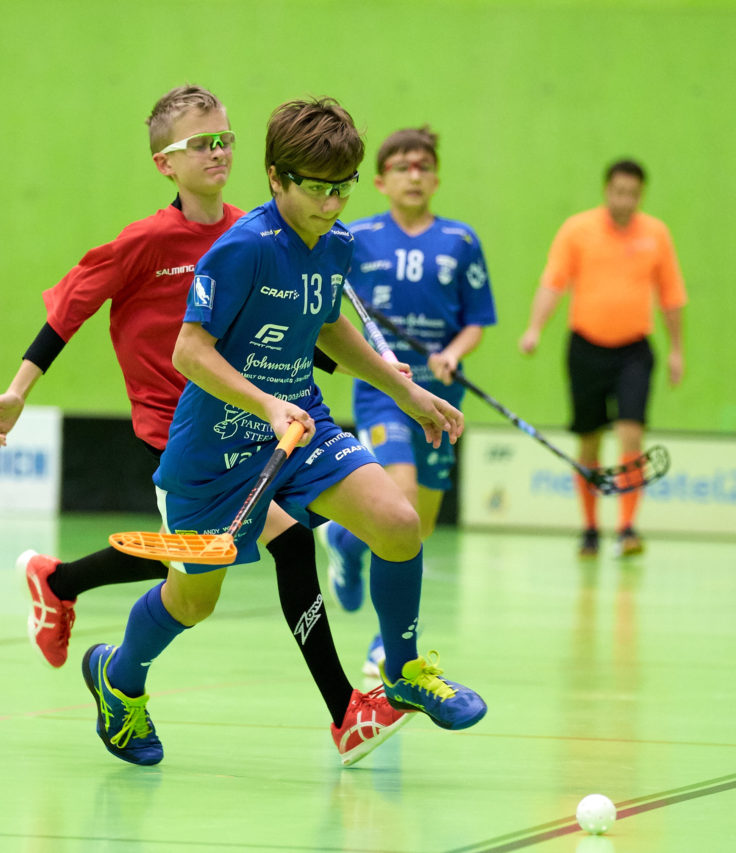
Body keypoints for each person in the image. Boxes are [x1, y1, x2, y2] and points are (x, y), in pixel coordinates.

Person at [0, 85, 407, 766]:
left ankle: (64, 590)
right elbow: (70, 309)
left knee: (239, 555)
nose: (218, 151)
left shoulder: (264, 227)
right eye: (200, 143)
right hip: (177, 429)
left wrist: (375, 370)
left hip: (263, 427)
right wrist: (16, 389)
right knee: (222, 569)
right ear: (164, 164)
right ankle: (106, 654)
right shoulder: (145, 241)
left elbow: (298, 322)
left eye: (225, 139)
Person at [80, 96, 487, 767]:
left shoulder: (337, 243)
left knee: (398, 522)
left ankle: (404, 670)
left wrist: (406, 391)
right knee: (191, 601)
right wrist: (266, 404)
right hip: (213, 456)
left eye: (342, 188)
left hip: (303, 430)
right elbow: (189, 352)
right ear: (276, 177)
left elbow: (327, 324)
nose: (331, 205)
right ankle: (117, 679)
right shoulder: (241, 250)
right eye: (316, 189)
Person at [320, 126, 497, 678]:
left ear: (436, 177)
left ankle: (347, 544)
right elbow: (327, 299)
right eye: (402, 167)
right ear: (381, 180)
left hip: (441, 394)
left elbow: (477, 320)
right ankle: (383, 638)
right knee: (401, 494)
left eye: (423, 166)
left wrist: (454, 352)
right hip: (385, 391)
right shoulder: (356, 236)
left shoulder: (461, 241)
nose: (414, 175)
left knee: (420, 523)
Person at [518, 158, 686, 558]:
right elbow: (553, 282)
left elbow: (672, 296)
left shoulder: (656, 235)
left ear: (640, 195)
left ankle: (627, 528)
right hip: (586, 349)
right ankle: (590, 529)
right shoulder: (578, 230)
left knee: (631, 433)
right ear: (606, 190)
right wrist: (534, 328)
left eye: (633, 193)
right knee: (589, 442)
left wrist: (678, 350)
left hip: (634, 350)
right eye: (618, 191)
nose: (624, 199)